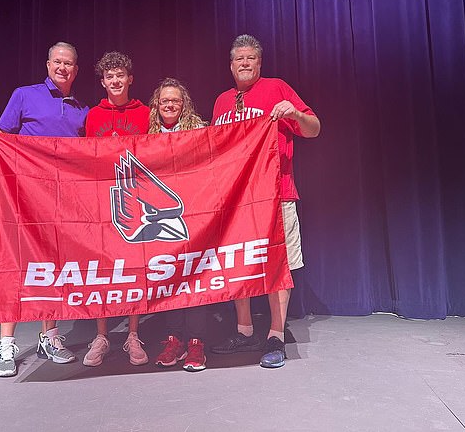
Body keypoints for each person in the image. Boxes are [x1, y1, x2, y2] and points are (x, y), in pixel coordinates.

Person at [0, 41, 88, 377]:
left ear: (76, 70)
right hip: (23, 196)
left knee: (52, 266)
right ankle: (6, 344)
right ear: (48, 64)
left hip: (61, 201)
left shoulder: (83, 109)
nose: (63, 68)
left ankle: (48, 335)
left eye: (69, 63)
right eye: (57, 62)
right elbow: (2, 137)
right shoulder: (24, 94)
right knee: (16, 264)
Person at [210, 34, 320, 368]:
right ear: (231, 65)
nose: (244, 63)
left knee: (277, 265)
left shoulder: (278, 88)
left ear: (260, 63)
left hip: (277, 193)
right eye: (238, 58)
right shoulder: (221, 101)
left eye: (250, 58)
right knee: (237, 262)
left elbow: (314, 128)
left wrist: (296, 114)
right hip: (236, 200)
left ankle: (275, 334)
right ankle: (244, 331)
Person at [83, 51, 150, 366]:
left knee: (136, 268)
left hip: (134, 200)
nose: (115, 81)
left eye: (120, 75)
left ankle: (132, 335)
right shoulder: (93, 115)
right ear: (103, 82)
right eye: (110, 77)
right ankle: (102, 335)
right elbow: (86, 160)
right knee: (103, 269)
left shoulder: (144, 113)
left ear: (130, 78)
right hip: (101, 201)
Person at [147, 78, 208, 372]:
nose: (169, 105)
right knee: (169, 277)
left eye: (175, 100)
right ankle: (174, 340)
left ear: (184, 104)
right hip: (162, 220)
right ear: (156, 106)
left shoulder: (198, 130)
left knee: (194, 276)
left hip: (194, 214)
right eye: (164, 101)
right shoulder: (148, 135)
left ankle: (196, 344)